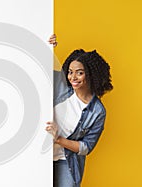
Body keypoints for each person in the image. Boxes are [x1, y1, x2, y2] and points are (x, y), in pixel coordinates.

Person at [46, 34, 113, 187]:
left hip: (66, 162)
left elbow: (85, 147)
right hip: (41, 154)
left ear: (91, 75)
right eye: (70, 72)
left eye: (79, 72)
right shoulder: (61, 86)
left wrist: (58, 139)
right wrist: (48, 46)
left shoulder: (97, 111)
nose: (73, 77)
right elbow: (40, 69)